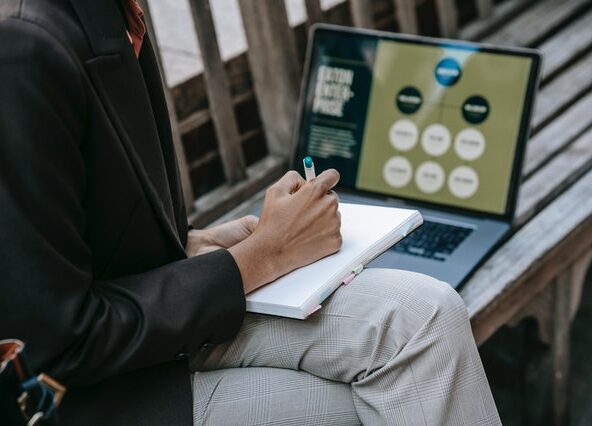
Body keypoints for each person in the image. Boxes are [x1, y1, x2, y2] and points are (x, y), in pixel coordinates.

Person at [0, 0, 501, 424]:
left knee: (425, 314)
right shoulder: (22, 49)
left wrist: (196, 247)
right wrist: (263, 255)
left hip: (154, 331)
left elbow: (70, 241)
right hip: (96, 397)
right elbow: (52, 348)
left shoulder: (113, 11)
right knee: (376, 407)